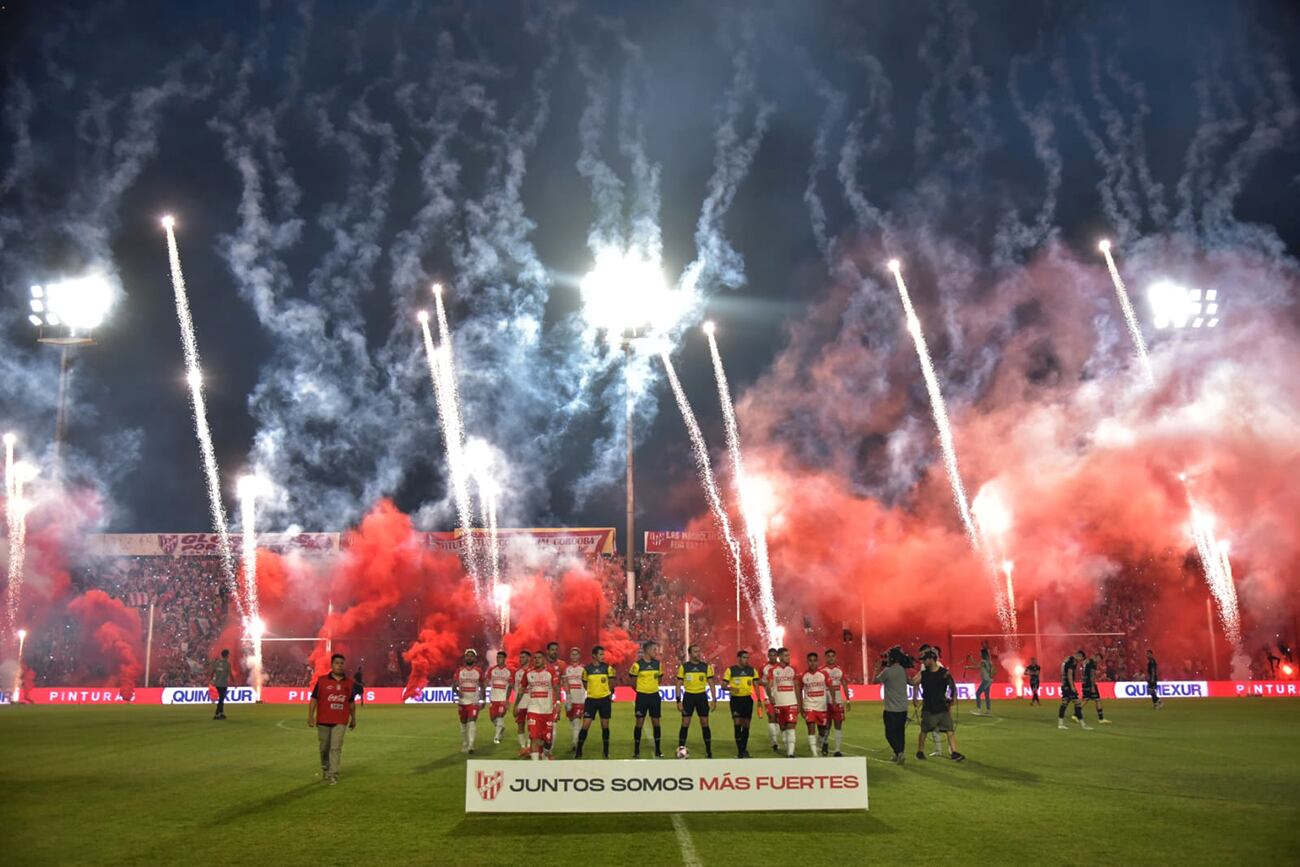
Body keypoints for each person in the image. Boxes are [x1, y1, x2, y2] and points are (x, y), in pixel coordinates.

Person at [308, 653, 357, 785]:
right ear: (332, 665)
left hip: (341, 720)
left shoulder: (349, 683)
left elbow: (351, 703)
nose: (339, 665)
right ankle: (325, 767)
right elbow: (314, 699)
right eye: (337, 663)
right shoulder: (322, 681)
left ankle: (333, 774)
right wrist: (310, 716)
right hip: (323, 719)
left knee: (336, 747)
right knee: (324, 747)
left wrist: (353, 719)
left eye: (341, 663)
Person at [911, 649, 965, 762]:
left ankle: (954, 752)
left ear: (931, 659)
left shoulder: (944, 673)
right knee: (924, 730)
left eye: (925, 660)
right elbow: (913, 682)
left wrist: (954, 697)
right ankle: (920, 752)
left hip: (942, 706)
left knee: (949, 729)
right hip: (928, 707)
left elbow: (952, 686)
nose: (923, 663)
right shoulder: (923, 673)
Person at [513, 649, 559, 761]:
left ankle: (543, 755)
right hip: (533, 710)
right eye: (535, 658)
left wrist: (557, 703)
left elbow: (556, 688)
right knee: (534, 737)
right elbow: (521, 690)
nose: (536, 660)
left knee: (545, 740)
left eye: (539, 658)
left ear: (544, 660)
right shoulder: (528, 673)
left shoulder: (550, 672)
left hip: (547, 711)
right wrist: (516, 705)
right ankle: (535, 765)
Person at [676, 644, 717, 758]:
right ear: (690, 654)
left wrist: (714, 699)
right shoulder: (684, 667)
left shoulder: (706, 667)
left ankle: (708, 751)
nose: (698, 653)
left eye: (699, 651)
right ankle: (681, 749)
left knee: (704, 723)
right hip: (688, 697)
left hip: (701, 697)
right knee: (685, 723)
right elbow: (678, 684)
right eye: (695, 651)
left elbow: (711, 684)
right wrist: (678, 700)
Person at [576, 645, 615, 758]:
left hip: (604, 700)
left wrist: (607, 693)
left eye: (603, 654)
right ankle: (579, 750)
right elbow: (585, 684)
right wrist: (593, 692)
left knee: (605, 726)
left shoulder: (608, 668)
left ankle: (606, 751)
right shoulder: (587, 669)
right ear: (594, 655)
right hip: (591, 700)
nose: (603, 656)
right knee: (585, 725)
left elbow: (611, 683)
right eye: (600, 654)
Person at [872, 646, 909, 763]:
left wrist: (876, 669)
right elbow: (910, 681)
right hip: (903, 708)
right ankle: (898, 753)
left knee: (889, 734)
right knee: (900, 732)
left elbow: (875, 681)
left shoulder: (887, 671)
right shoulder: (902, 670)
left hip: (891, 709)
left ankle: (898, 752)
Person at [628, 641, 665, 758]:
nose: (656, 652)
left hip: (654, 696)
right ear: (647, 650)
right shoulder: (637, 665)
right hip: (642, 697)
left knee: (656, 723)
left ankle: (658, 749)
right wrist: (641, 690)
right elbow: (632, 682)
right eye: (654, 649)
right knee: (639, 722)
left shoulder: (658, 664)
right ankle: (636, 750)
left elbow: (659, 680)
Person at [722, 650, 758, 758]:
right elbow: (723, 686)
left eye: (747, 658)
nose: (746, 660)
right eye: (744, 657)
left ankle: (744, 749)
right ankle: (740, 751)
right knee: (737, 723)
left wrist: (760, 700)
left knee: (746, 725)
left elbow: (756, 685)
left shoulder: (752, 670)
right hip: (736, 700)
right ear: (738, 658)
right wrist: (732, 688)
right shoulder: (731, 670)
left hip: (747, 700)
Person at [799, 652, 831, 757]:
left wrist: (833, 701)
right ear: (807, 662)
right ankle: (814, 754)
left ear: (817, 662)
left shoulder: (824, 674)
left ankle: (818, 745)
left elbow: (830, 689)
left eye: (814, 660)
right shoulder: (803, 675)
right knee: (811, 727)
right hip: (809, 706)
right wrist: (801, 707)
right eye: (810, 661)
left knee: (822, 731)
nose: (812, 663)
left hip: (822, 707)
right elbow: (799, 691)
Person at [453, 649, 485, 754]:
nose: (469, 657)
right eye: (468, 656)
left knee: (472, 721)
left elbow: (482, 686)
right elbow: (454, 686)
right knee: (463, 724)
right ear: (465, 658)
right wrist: (458, 692)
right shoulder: (459, 671)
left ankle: (471, 745)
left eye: (472, 656)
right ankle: (465, 744)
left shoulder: (479, 671)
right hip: (462, 701)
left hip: (474, 701)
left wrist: (483, 699)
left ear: (475, 658)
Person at [769, 647, 799, 757]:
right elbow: (769, 685)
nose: (788, 657)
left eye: (789, 655)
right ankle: (788, 748)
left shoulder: (793, 669)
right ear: (780, 657)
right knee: (783, 727)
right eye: (786, 655)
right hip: (779, 703)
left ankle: (790, 754)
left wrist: (799, 703)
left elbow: (796, 687)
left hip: (791, 702)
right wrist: (770, 696)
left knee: (791, 726)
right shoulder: (773, 670)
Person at [823, 648, 850, 756]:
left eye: (832, 656)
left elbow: (844, 684)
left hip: (838, 702)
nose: (831, 658)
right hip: (825, 702)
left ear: (835, 657)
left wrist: (848, 700)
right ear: (825, 658)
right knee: (827, 726)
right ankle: (825, 743)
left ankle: (837, 750)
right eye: (828, 656)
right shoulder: (822, 670)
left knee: (838, 725)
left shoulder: (839, 670)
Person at [561, 647, 588, 753]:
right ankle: (576, 739)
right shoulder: (567, 669)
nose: (574, 656)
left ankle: (575, 743)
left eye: (576, 654)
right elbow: (565, 683)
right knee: (572, 721)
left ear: (579, 656)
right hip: (570, 699)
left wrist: (586, 696)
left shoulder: (583, 669)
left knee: (576, 721)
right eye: (572, 654)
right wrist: (568, 697)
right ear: (570, 656)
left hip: (580, 699)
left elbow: (587, 683)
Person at [486, 650, 513, 745]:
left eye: (500, 657)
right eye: (497, 657)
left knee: (500, 716)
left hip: (502, 699)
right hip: (493, 698)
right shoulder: (492, 670)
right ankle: (501, 728)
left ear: (504, 659)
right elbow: (487, 680)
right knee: (492, 718)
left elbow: (510, 686)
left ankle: (496, 738)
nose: (498, 659)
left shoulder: (508, 671)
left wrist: (507, 700)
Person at [1058, 650, 1090, 730]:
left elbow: (1062, 670)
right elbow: (1069, 673)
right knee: (1078, 704)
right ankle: (1083, 725)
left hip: (1065, 684)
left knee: (1064, 704)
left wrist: (1063, 681)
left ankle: (1060, 724)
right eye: (1081, 659)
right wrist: (1072, 686)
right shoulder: (1072, 661)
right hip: (1068, 686)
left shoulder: (1068, 659)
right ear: (1079, 656)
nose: (1080, 661)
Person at [759, 647, 780, 752]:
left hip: (780, 696)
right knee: (771, 717)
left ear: (777, 656)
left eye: (774, 655)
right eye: (770, 655)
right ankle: (774, 742)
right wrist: (765, 683)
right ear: (768, 656)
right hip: (767, 695)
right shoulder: (763, 667)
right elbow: (757, 680)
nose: (772, 657)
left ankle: (775, 738)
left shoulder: (782, 667)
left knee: (779, 719)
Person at [513, 650, 533, 754]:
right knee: (520, 725)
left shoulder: (533, 671)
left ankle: (529, 747)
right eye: (520, 657)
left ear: (529, 659)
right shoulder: (518, 673)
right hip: (520, 703)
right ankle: (523, 747)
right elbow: (517, 689)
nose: (521, 659)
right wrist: (515, 705)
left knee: (531, 726)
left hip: (531, 703)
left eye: (524, 657)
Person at [1082, 652, 1111, 724]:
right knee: (1096, 700)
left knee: (1087, 699)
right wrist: (1092, 686)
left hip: (1085, 683)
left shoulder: (1088, 662)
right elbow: (1092, 675)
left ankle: (1075, 714)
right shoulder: (1093, 663)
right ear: (1097, 657)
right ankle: (1101, 719)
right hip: (1090, 684)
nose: (1099, 661)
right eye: (1099, 659)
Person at [211, 649, 231, 720]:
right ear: (227, 655)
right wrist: (234, 682)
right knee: (221, 699)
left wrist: (211, 680)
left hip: (217, 684)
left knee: (221, 698)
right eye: (228, 654)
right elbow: (230, 674)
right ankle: (217, 714)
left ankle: (221, 713)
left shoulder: (217, 663)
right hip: (223, 684)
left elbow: (212, 672)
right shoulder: (227, 664)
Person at [973, 647, 994, 715]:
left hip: (985, 680)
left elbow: (977, 667)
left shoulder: (983, 661)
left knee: (978, 693)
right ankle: (988, 710)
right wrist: (972, 660)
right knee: (987, 695)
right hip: (989, 680)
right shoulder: (989, 662)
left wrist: (968, 667)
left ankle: (979, 710)